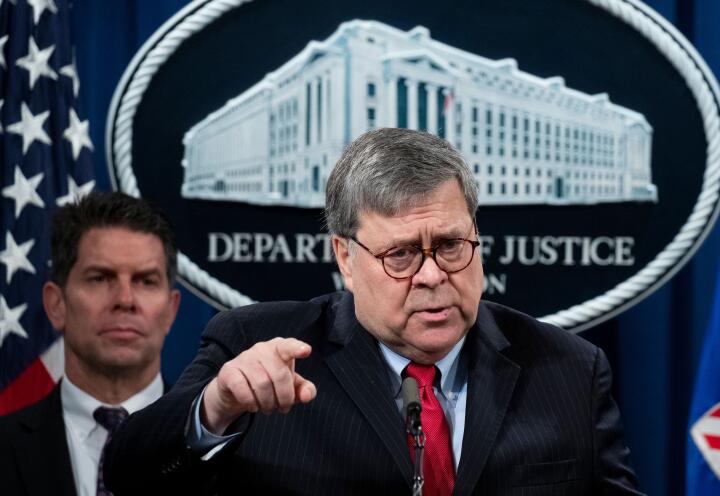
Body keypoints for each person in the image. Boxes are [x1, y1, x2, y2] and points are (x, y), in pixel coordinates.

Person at [104, 128, 640, 494]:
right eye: (401, 254)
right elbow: (128, 474)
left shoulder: (569, 369)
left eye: (452, 245)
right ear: (346, 258)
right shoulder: (256, 346)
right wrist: (215, 408)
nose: (432, 275)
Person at [0, 192, 181, 496]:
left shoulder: (226, 452)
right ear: (56, 305)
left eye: (146, 281)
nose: (125, 300)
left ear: (171, 311)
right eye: (100, 278)